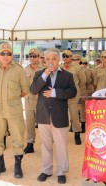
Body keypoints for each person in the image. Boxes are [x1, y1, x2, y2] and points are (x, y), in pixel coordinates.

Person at [30, 48, 77, 184]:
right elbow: (33, 90)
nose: (51, 61)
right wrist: (45, 75)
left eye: (54, 59)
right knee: (45, 146)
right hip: (43, 115)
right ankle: (46, 170)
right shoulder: (39, 74)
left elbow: (72, 92)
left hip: (60, 116)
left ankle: (61, 171)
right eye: (48, 59)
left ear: (59, 60)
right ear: (44, 60)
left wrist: (55, 93)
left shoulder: (67, 75)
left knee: (61, 145)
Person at [0, 43, 28, 179]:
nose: (5, 56)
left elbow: (24, 90)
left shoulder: (19, 70)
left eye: (8, 53)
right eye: (3, 53)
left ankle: (17, 166)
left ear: (12, 56)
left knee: (18, 138)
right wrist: (0, 99)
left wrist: (11, 99)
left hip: (14, 110)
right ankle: (0, 165)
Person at [23, 48, 46, 153]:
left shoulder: (44, 69)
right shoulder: (25, 69)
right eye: (30, 56)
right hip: (29, 100)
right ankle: (30, 144)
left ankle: (45, 144)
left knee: (43, 124)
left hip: (40, 100)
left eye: (34, 56)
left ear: (39, 57)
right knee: (29, 123)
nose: (32, 58)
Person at [61, 50, 86, 145]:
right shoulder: (59, 67)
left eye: (67, 56)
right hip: (62, 96)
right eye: (64, 56)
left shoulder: (77, 68)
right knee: (61, 117)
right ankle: (61, 135)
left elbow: (82, 81)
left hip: (73, 96)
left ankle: (77, 134)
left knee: (74, 116)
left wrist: (74, 88)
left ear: (71, 57)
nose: (65, 58)